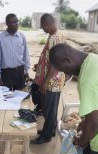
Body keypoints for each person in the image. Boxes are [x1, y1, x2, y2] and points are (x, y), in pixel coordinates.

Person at [31, 13, 67, 145]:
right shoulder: (53, 36)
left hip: (51, 82)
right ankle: (50, 129)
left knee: (49, 109)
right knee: (48, 108)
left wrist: (44, 83)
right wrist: (40, 64)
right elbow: (49, 58)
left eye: (43, 26)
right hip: (51, 80)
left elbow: (55, 65)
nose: (42, 29)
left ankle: (46, 136)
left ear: (47, 24)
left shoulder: (55, 38)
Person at [0, 13, 30, 91]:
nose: (16, 24)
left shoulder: (21, 36)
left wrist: (26, 71)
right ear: (7, 24)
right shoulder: (0, 38)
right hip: (6, 74)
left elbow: (25, 55)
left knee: (20, 97)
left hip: (20, 72)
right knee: (7, 98)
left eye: (17, 22)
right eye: (13, 22)